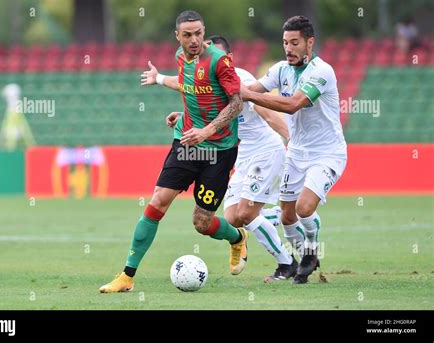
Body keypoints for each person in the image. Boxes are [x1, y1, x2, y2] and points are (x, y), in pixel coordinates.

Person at [99, 10, 246, 293]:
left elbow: (236, 103)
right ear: (177, 36)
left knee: (201, 223)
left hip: (219, 150)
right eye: (187, 35)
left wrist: (207, 130)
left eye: (199, 33)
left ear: (204, 32)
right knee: (158, 201)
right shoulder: (180, 57)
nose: (194, 40)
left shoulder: (219, 61)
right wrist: (180, 109)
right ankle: (127, 276)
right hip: (187, 143)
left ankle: (237, 237)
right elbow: (190, 86)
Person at [143, 35, 299, 282]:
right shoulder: (204, 79)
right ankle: (286, 216)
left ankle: (287, 264)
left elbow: (268, 115)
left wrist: (291, 141)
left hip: (264, 151)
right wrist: (161, 82)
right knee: (234, 218)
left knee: (247, 215)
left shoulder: (242, 80)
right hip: (240, 155)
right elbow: (183, 85)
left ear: (229, 59)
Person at [241, 16, 347, 284]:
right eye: (285, 42)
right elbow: (248, 91)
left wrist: (248, 95)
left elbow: (292, 104)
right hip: (297, 152)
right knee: (287, 216)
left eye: (295, 42)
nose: (288, 48)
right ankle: (304, 260)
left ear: (310, 43)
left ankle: (310, 252)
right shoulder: (280, 69)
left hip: (327, 152)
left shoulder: (322, 72)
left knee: (304, 207)